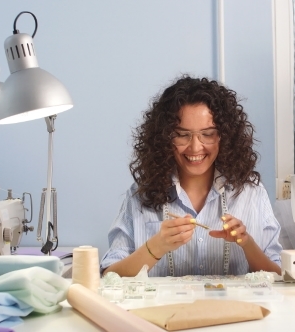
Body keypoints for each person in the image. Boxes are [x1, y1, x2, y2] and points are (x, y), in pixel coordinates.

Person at [100, 75, 282, 277]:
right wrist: (156, 247)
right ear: (166, 137)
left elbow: (278, 277)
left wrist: (246, 243)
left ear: (225, 136)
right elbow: (109, 277)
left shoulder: (251, 194)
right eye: (182, 134)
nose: (195, 147)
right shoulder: (139, 196)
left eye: (208, 134)